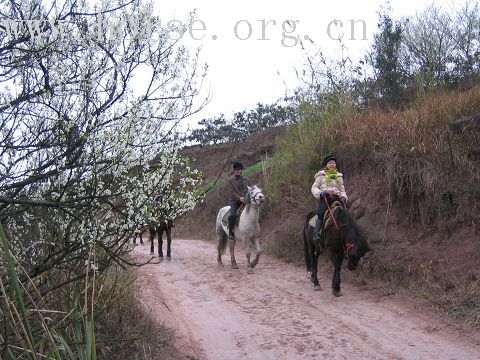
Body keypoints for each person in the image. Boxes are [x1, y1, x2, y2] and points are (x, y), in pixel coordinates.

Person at [311, 155, 348, 242]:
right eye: (330, 163)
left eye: (334, 163)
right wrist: (320, 193)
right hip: (326, 197)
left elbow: (342, 190)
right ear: (326, 165)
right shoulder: (321, 175)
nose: (332, 164)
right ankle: (316, 233)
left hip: (337, 198)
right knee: (321, 214)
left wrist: (344, 197)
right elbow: (314, 187)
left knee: (346, 214)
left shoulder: (339, 177)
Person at [227, 161, 248, 240]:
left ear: (241, 170)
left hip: (245, 201)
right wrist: (239, 198)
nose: (237, 171)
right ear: (234, 170)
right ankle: (231, 232)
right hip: (235, 202)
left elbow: (247, 190)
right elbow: (231, 192)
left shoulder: (246, 179)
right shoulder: (231, 181)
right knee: (232, 215)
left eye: (239, 169)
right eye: (236, 169)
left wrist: (246, 197)